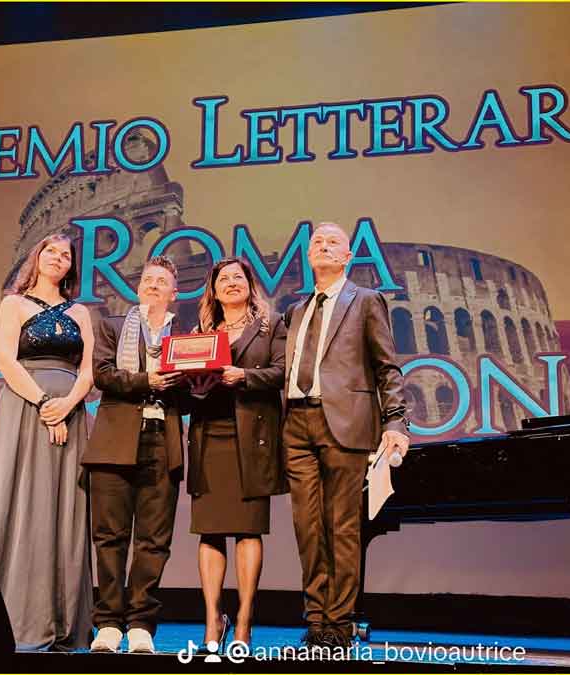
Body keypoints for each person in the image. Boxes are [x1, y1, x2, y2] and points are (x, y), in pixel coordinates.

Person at [283, 222, 409, 648]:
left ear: (348, 256)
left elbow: (386, 366)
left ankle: (338, 624)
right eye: (316, 240)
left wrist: (395, 421)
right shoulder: (297, 310)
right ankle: (316, 619)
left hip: (346, 422)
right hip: (296, 425)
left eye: (332, 240)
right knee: (307, 527)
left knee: (343, 525)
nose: (322, 244)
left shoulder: (366, 301)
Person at [0, 233, 95, 651]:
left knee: (65, 510)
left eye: (65, 256)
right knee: (23, 503)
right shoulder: (14, 304)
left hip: (72, 413)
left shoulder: (81, 311)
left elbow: (90, 369)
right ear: (36, 258)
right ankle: (13, 617)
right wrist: (45, 404)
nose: (58, 259)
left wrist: (67, 406)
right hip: (25, 410)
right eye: (51, 252)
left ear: (71, 267)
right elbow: (6, 359)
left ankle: (62, 619)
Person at [84, 255, 187, 654]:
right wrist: (148, 379)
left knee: (154, 539)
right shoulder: (112, 327)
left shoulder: (185, 334)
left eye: (162, 281)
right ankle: (108, 622)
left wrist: (189, 379)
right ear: (137, 287)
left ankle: (142, 621)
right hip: (115, 439)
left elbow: (193, 390)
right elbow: (103, 374)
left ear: (174, 293)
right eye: (147, 279)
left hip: (163, 439)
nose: (153, 285)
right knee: (109, 536)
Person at [186, 257, 287, 651]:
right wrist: (191, 382)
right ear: (212, 290)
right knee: (209, 530)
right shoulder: (199, 332)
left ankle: (244, 619)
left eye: (237, 277)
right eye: (222, 278)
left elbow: (281, 372)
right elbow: (186, 385)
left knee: (248, 529)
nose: (230, 283)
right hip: (210, 434)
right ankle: (213, 619)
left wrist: (243, 376)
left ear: (249, 285)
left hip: (252, 437)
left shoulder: (271, 325)